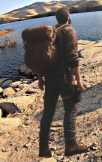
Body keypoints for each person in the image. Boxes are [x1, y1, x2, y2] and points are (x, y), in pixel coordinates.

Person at [38, 8, 88, 157]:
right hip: (65, 79)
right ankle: (71, 146)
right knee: (70, 109)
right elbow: (73, 59)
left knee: (48, 113)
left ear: (57, 18)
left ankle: (43, 149)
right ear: (68, 17)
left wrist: (40, 78)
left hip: (49, 79)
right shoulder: (68, 30)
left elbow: (43, 58)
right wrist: (79, 81)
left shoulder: (51, 32)